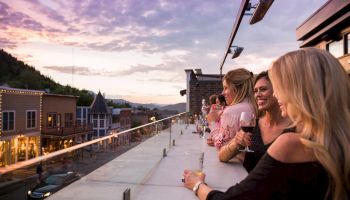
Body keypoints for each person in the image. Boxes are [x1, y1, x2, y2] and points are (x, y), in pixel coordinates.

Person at [183, 48, 350, 199]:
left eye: (280, 86)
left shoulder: (293, 142)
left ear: (300, 91)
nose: (277, 94)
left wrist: (197, 185)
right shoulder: (338, 140)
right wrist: (236, 143)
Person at [218, 71, 292, 172]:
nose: (258, 95)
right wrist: (236, 142)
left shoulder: (294, 128)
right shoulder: (254, 125)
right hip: (248, 185)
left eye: (263, 89)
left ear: (279, 91)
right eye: (255, 91)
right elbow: (222, 156)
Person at [207, 68, 256, 149]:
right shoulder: (254, 106)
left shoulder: (231, 111)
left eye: (226, 88)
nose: (222, 93)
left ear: (237, 88)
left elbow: (220, 145)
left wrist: (212, 123)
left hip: (236, 160)